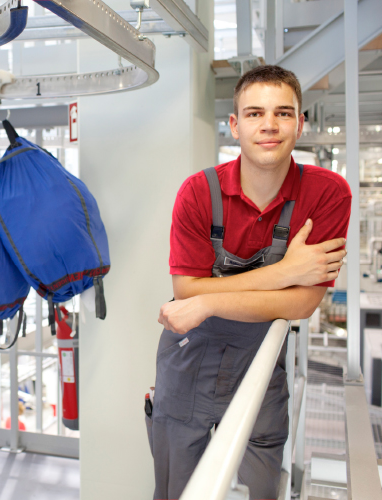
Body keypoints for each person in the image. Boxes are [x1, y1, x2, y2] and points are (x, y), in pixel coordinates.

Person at [148, 65, 352, 500]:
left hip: (262, 360)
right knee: (178, 491)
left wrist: (209, 301)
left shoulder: (328, 194)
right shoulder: (198, 192)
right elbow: (185, 290)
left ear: (300, 123)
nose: (270, 125)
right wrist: (285, 273)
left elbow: (301, 306)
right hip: (188, 365)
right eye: (255, 113)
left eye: (283, 113)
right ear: (235, 125)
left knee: (263, 488)